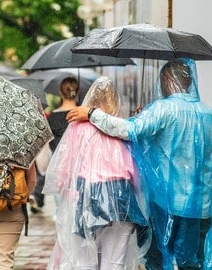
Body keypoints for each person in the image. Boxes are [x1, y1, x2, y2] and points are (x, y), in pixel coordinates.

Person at [66, 58, 212, 270]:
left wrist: (91, 113)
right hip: (201, 205)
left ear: (166, 80)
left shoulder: (162, 109)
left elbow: (128, 131)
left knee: (156, 261)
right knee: (192, 263)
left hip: (165, 204)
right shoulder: (208, 114)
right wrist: (144, 118)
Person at [43, 76, 150, 269]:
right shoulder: (121, 128)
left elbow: (64, 170)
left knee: (84, 261)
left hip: (88, 198)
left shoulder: (78, 128)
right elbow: (136, 172)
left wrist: (62, 191)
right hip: (123, 199)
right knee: (114, 263)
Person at [32, 77, 79, 213]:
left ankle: (62, 234)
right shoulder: (82, 114)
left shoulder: (52, 118)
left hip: (59, 168)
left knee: (61, 209)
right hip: (81, 166)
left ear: (60, 92)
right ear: (77, 91)